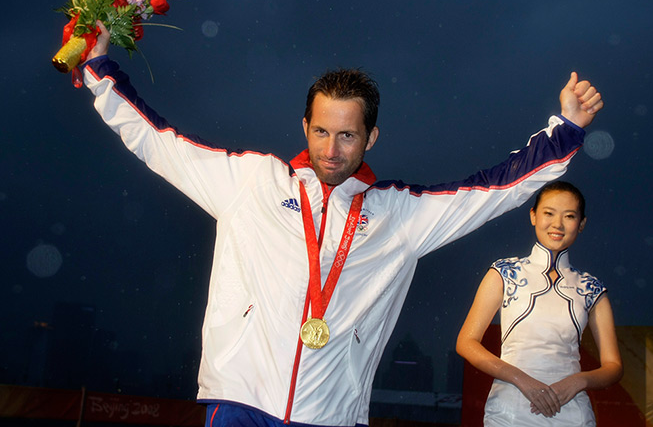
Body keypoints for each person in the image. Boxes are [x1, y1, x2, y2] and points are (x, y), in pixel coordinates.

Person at [79, 21, 603, 427]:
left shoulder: (400, 216)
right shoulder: (252, 182)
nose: (331, 150)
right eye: (322, 131)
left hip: (330, 411)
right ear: (304, 125)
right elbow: (156, 141)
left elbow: (492, 190)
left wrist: (566, 131)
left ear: (371, 137)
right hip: (240, 399)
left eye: (348, 136)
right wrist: (98, 65)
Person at [456, 181, 623, 426]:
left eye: (569, 216)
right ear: (533, 216)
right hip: (510, 411)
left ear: (582, 224)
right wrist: (522, 380)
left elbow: (614, 366)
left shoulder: (592, 288)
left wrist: (578, 381)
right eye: (549, 213)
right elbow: (466, 343)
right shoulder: (504, 272)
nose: (557, 224)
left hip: (572, 412)